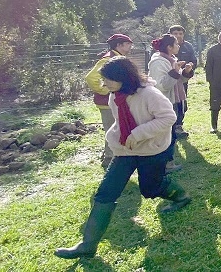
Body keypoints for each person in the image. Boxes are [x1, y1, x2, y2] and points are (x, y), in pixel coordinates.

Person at [55, 57, 191, 260]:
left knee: (150, 188)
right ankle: (87, 245)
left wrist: (137, 134)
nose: (105, 84)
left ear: (123, 77)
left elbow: (168, 117)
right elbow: (120, 122)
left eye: (109, 79)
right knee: (105, 193)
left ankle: (181, 196)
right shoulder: (115, 96)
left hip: (151, 149)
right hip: (125, 151)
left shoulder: (149, 94)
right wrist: (114, 137)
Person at [85, 33, 134, 169]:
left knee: (117, 128)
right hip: (107, 103)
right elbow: (91, 78)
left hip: (116, 101)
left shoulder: (118, 58)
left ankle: (113, 156)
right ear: (119, 45)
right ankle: (109, 159)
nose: (130, 47)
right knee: (112, 130)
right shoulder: (108, 59)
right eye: (128, 44)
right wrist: (106, 90)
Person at [148, 34, 193, 173]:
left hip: (174, 100)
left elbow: (178, 81)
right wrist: (175, 71)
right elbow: (161, 85)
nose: (179, 46)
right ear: (169, 47)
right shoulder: (158, 62)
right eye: (176, 44)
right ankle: (164, 164)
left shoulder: (172, 59)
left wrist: (185, 72)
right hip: (164, 102)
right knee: (165, 134)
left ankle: (168, 162)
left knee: (171, 133)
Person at [169, 25, 197, 139]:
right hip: (169, 80)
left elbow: (194, 60)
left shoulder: (188, 46)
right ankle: (170, 127)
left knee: (182, 103)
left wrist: (190, 67)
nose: (178, 36)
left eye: (180, 34)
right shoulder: (164, 46)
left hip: (183, 80)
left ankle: (179, 126)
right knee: (170, 104)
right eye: (175, 33)